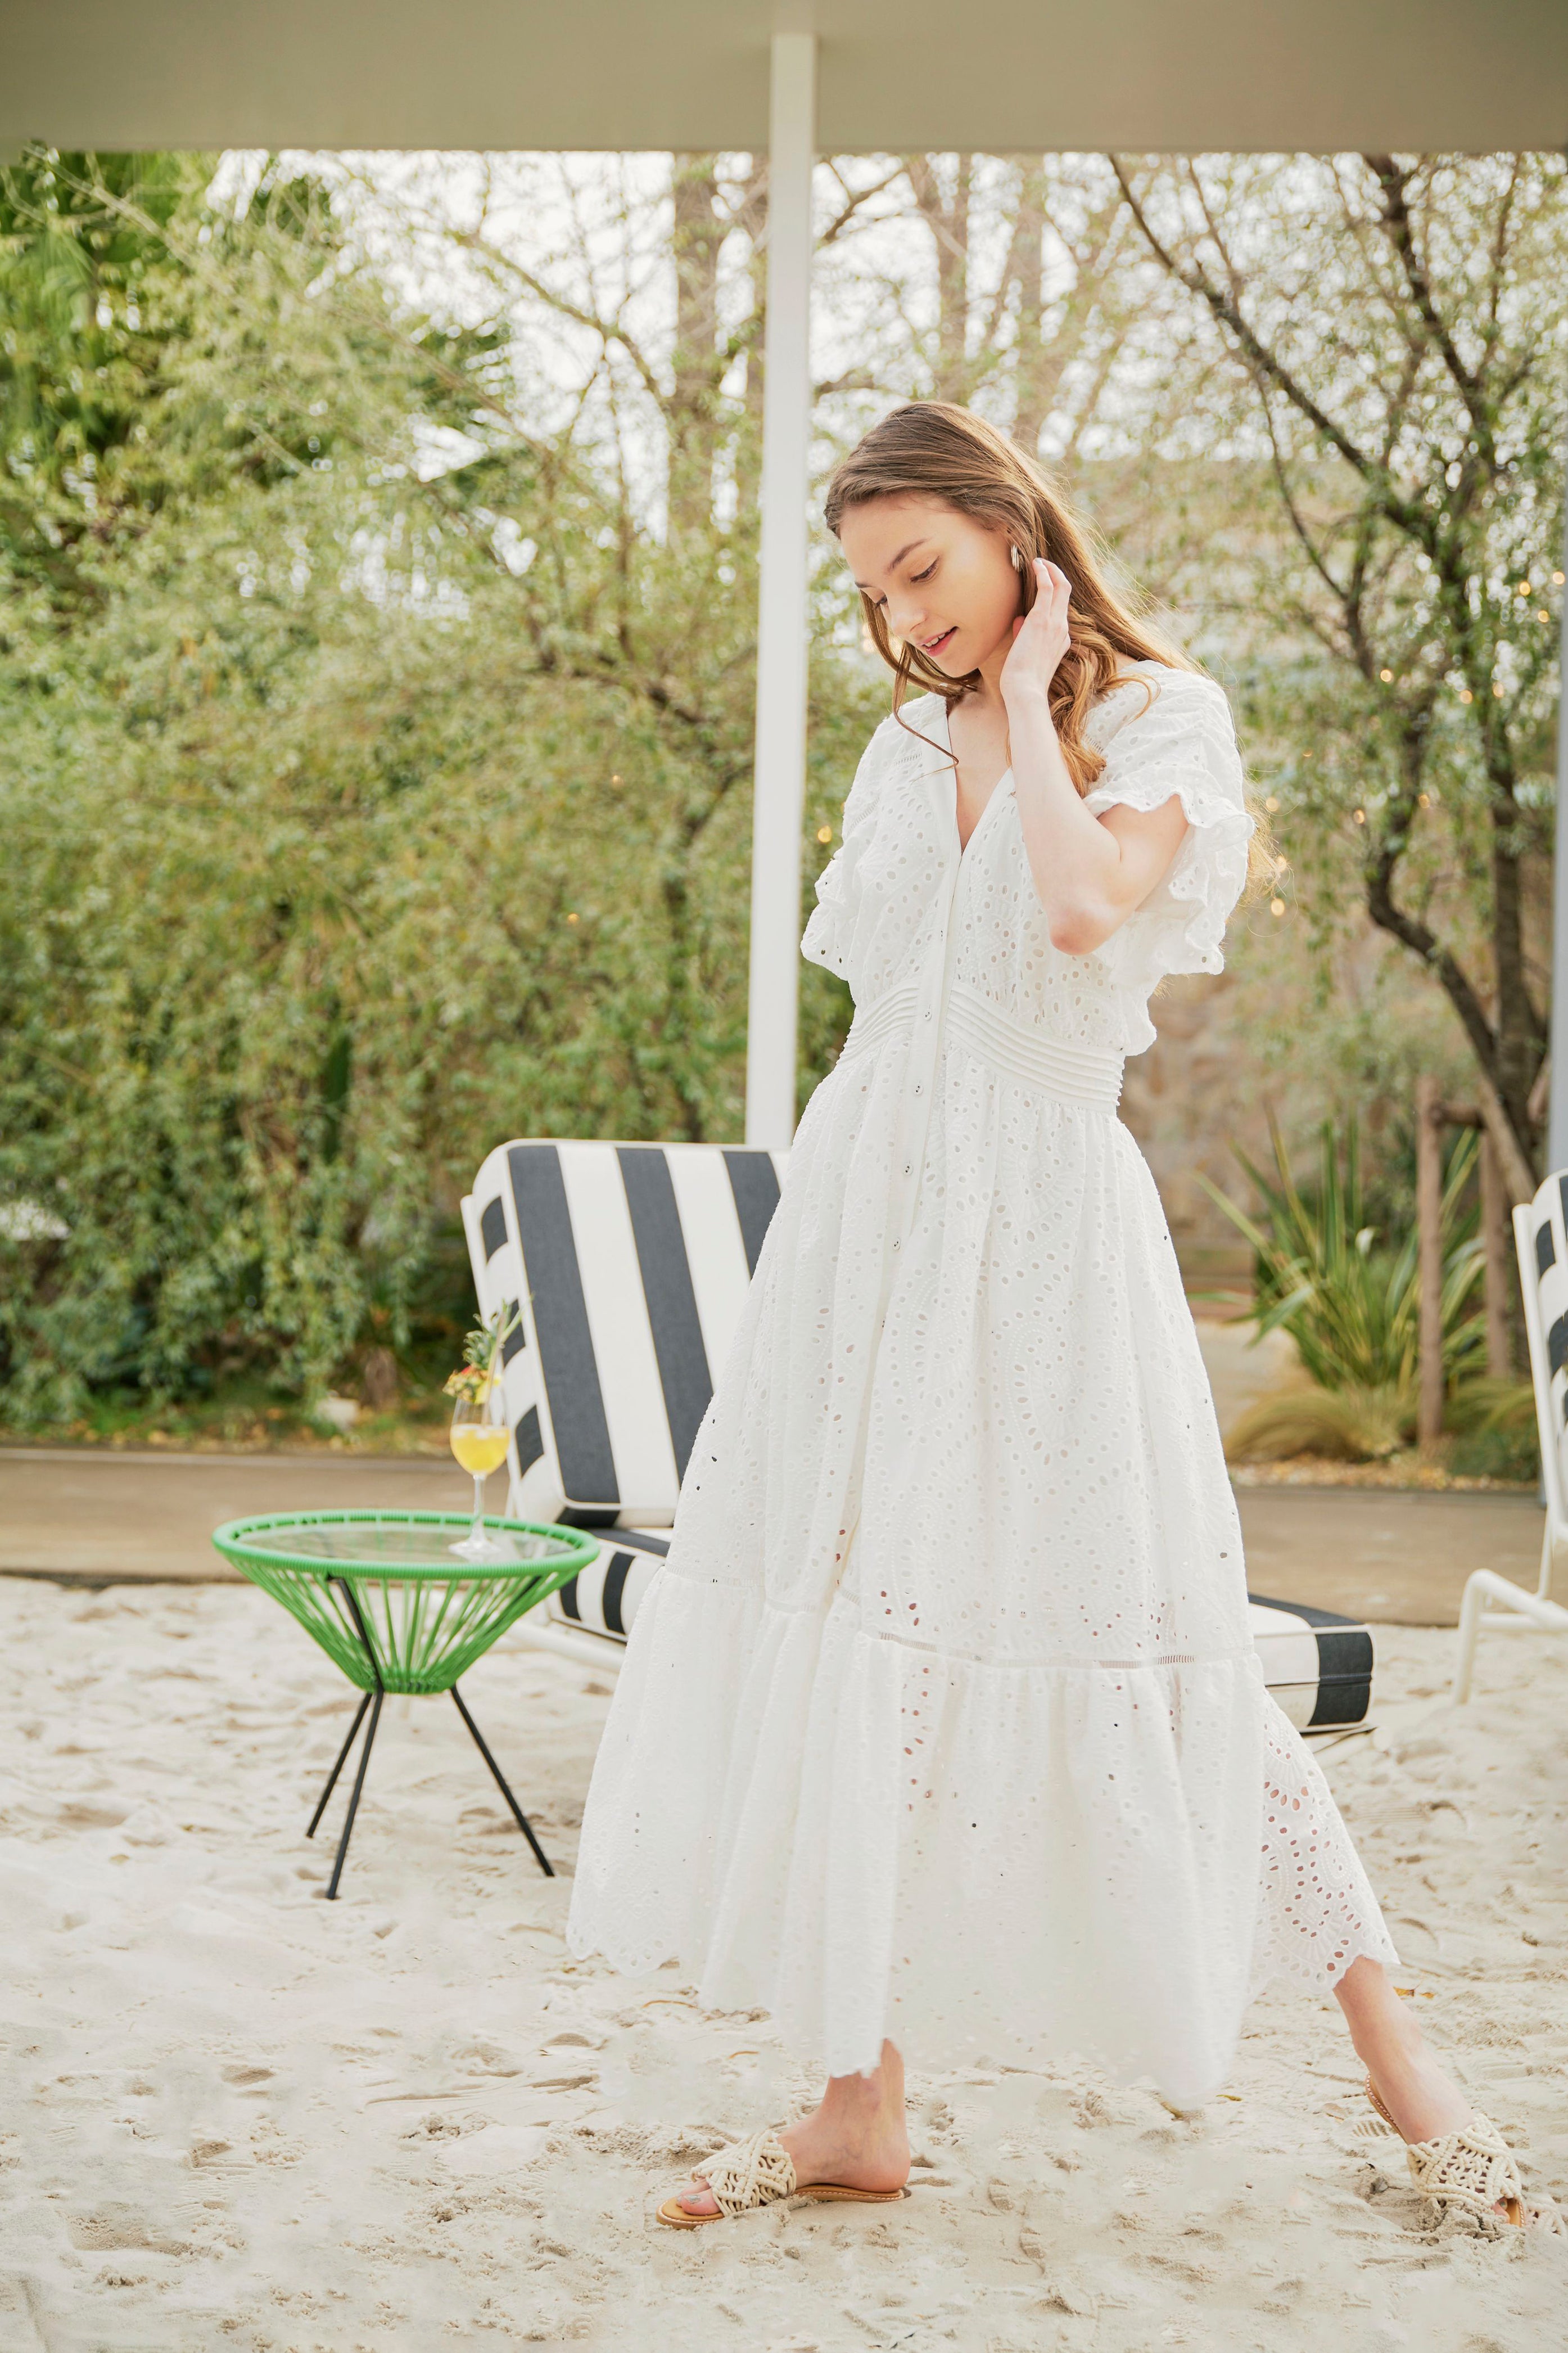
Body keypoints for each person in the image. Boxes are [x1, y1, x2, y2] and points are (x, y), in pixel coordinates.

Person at [567, 403, 1557, 2235]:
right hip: (873, 1222)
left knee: (1157, 1634)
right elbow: (897, 1005)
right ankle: (857, 2105)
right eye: (876, 594)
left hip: (1044, 1231)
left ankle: (1402, 2058)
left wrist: (1028, 703)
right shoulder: (898, 747)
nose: (905, 618)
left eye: (922, 570)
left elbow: (1088, 909)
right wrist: (964, 709)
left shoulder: (1166, 720)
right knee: (857, 1619)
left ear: (1009, 525)